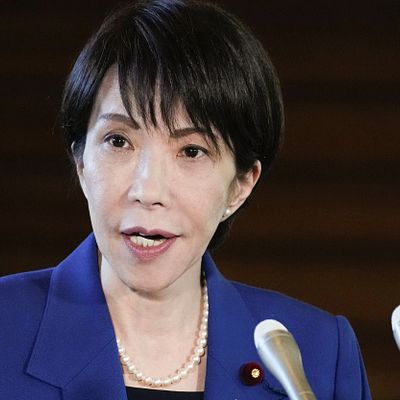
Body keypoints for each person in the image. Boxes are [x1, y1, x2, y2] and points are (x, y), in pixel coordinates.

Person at [0, 1, 371, 399]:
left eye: (192, 151)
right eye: (119, 141)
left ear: (241, 185)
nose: (148, 191)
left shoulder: (316, 354)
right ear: (81, 162)